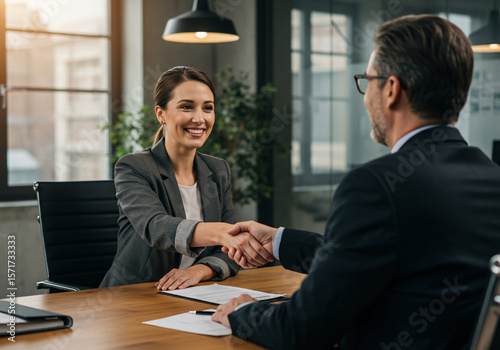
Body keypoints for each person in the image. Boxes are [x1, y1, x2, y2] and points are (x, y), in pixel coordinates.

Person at [212, 15, 500, 349]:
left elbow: (300, 331)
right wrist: (280, 241)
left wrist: (243, 312)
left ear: (391, 89)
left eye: (368, 80)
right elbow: (396, 259)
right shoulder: (491, 177)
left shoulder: (375, 186)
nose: (365, 96)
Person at [100, 66, 272, 290]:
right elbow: (156, 227)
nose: (199, 118)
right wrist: (224, 234)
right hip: (137, 293)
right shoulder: (134, 167)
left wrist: (199, 270)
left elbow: (229, 252)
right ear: (161, 114)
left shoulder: (218, 169)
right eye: (186, 107)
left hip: (194, 292)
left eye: (207, 108)